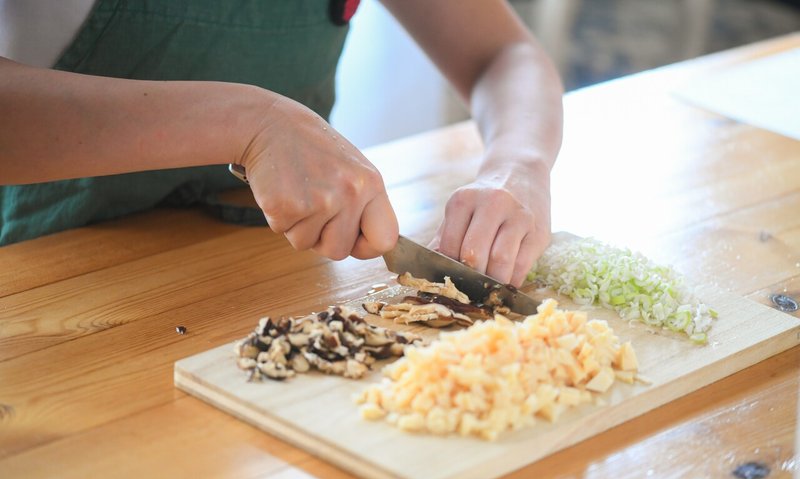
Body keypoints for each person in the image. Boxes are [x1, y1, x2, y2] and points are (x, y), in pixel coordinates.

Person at [0, 0, 563, 287]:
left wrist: (520, 165)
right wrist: (247, 122)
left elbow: (502, 56)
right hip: (39, 285)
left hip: (274, 281)